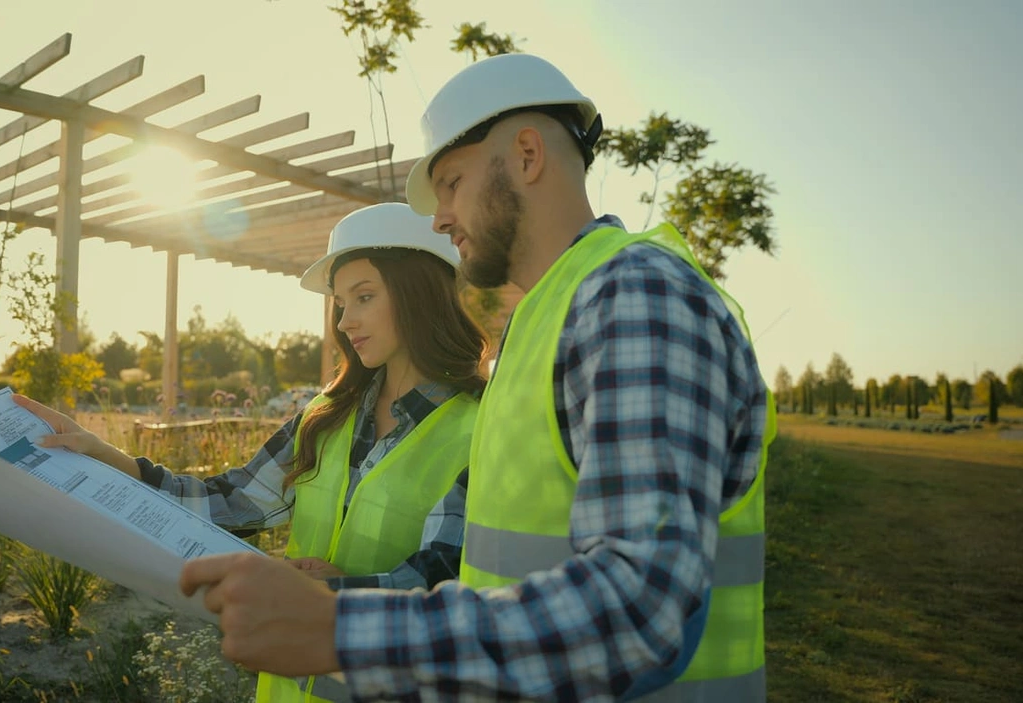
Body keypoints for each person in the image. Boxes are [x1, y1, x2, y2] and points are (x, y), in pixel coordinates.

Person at [178, 52, 777, 702]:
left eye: (453, 182)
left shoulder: (636, 296)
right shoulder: (546, 322)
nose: (438, 218)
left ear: (526, 154)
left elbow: (639, 608)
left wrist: (338, 628)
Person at [16, 202, 489, 702]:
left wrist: (335, 594)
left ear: (420, 295)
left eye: (364, 297)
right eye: (340, 303)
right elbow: (233, 501)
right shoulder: (326, 415)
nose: (346, 321)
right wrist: (108, 457)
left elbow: (448, 578)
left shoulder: (480, 427)